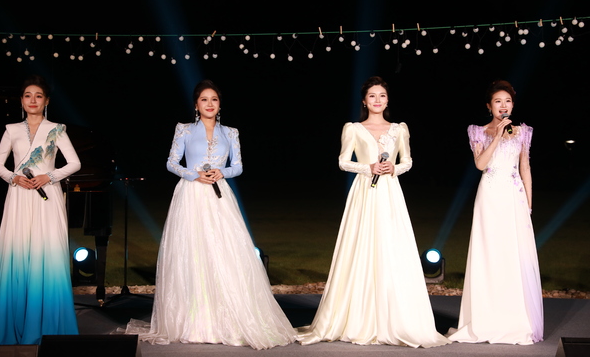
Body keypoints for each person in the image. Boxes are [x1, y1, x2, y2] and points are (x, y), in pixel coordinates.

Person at [124, 79, 295, 349]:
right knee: (193, 252)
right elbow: (171, 162)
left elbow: (238, 166)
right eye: (204, 99)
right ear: (196, 105)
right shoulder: (183, 130)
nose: (209, 104)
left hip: (219, 196)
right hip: (191, 195)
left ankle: (228, 318)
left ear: (220, 104)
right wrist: (193, 174)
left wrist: (221, 172)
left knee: (225, 251)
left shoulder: (231, 133)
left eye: (214, 99)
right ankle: (195, 319)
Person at [297, 76, 450, 348]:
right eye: (372, 96)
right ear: (364, 101)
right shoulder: (354, 129)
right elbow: (343, 161)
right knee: (361, 246)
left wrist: (394, 168)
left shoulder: (399, 129)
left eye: (382, 95)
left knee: (392, 247)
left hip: (390, 193)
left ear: (387, 100)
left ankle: (395, 319)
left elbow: (408, 161)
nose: (377, 100)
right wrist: (367, 167)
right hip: (365, 192)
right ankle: (358, 317)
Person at [448, 80, 543, 345]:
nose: (503, 106)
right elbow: (480, 164)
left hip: (513, 197)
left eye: (508, 101)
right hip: (489, 195)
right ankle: (485, 318)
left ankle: (514, 320)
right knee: (488, 253)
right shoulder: (478, 131)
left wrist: (528, 204)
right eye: (498, 101)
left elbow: (525, 168)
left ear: (513, 105)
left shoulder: (523, 132)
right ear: (489, 106)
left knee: (512, 254)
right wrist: (498, 136)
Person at [0, 75, 81, 345]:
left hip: (46, 197)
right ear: (21, 101)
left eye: (38, 96)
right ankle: (15, 321)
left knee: (46, 253)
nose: (33, 100)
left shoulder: (57, 129)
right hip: (19, 196)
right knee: (18, 252)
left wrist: (49, 176)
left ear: (46, 101)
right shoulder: (11, 130)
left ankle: (46, 325)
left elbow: (74, 163)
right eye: (28, 95)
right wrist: (13, 178)